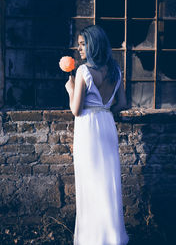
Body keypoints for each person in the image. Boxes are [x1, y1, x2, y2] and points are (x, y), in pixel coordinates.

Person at [65, 25, 129, 245]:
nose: (79, 48)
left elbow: (76, 109)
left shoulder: (83, 71)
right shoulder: (115, 71)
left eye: (83, 44)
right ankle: (112, 237)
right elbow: (122, 103)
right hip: (107, 123)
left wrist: (70, 88)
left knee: (89, 182)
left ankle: (91, 239)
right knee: (108, 182)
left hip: (88, 128)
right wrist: (106, 111)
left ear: (94, 45)